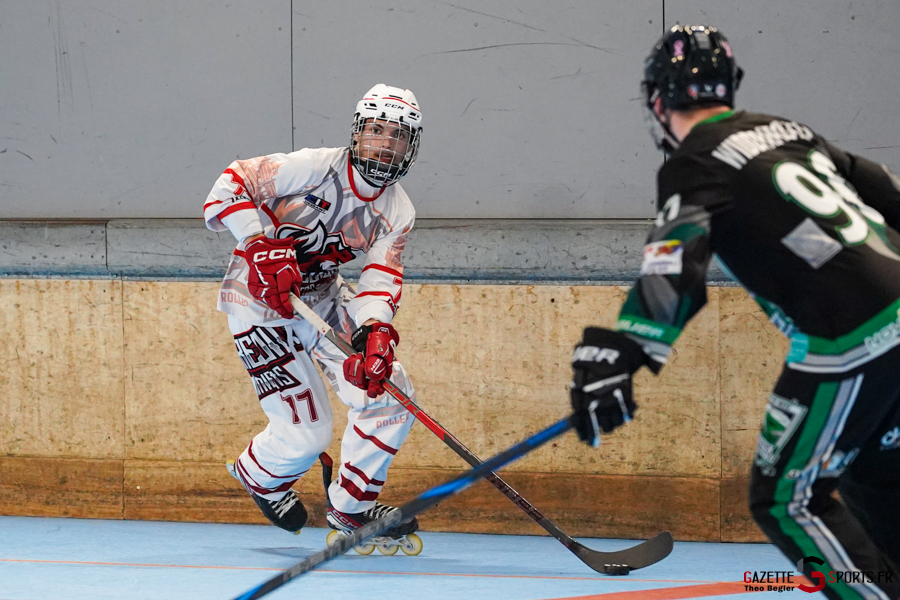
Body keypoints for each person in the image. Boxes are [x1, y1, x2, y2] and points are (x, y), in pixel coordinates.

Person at [569, 25, 900, 599]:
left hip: (850, 334)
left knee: (784, 497)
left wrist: (625, 350)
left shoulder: (694, 162)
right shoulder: (789, 132)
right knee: (874, 471)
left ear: (658, 101)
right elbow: (888, 192)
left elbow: (674, 268)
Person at [202, 84, 423, 545]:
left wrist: (375, 332)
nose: (384, 143)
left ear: (411, 146)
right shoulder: (311, 168)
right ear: (357, 133)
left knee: (390, 389)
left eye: (397, 135)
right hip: (258, 303)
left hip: (320, 299)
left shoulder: (398, 210)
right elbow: (230, 183)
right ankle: (259, 476)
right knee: (308, 436)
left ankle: (353, 510)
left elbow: (380, 277)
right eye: (376, 130)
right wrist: (257, 243)